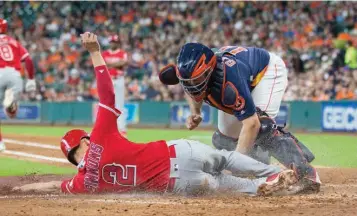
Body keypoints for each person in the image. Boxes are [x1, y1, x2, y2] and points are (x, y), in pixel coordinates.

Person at [13, 33, 298, 196]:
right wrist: (95, 54)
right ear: (85, 142)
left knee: (225, 184)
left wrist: (19, 192)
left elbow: (51, 185)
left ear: (71, 158)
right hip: (177, 154)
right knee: (225, 158)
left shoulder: (82, 182)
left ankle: (262, 186)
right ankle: (281, 174)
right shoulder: (100, 138)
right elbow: (107, 94)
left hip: (179, 184)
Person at [159, 43, 321, 193]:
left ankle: (306, 173)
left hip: (266, 72)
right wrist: (196, 112)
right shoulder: (194, 76)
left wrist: (234, 166)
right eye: (187, 81)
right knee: (223, 139)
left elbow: (251, 124)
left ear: (209, 71)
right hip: (243, 75)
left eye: (197, 80)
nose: (192, 85)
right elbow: (189, 87)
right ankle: (259, 168)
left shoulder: (229, 82)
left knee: (262, 128)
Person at [0, 18, 36, 151]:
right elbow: (28, 59)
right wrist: (31, 79)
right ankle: (10, 103)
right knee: (10, 108)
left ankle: (0, 143)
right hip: (15, 75)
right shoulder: (14, 42)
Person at [102, 35, 128, 137]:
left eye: (115, 42)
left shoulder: (122, 53)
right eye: (112, 42)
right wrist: (117, 64)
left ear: (118, 43)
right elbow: (102, 64)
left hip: (119, 79)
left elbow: (124, 62)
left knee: (119, 105)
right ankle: (105, 129)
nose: (113, 43)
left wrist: (110, 64)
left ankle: (122, 129)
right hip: (108, 80)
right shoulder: (105, 53)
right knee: (106, 105)